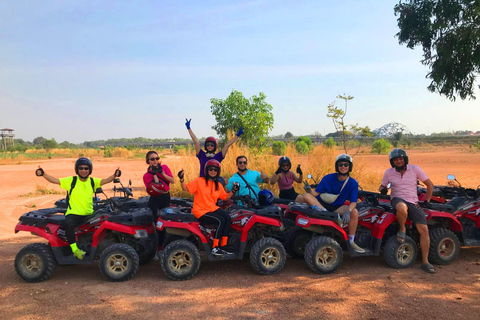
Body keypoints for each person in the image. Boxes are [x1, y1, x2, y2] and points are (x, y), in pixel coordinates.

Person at [35, 157, 120, 260]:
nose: (83, 171)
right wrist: (43, 174)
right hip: (74, 214)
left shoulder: (92, 181)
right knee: (68, 225)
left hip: (89, 213)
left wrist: (114, 175)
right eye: (81, 168)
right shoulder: (71, 181)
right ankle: (75, 250)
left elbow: (106, 180)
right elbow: (55, 180)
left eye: (86, 168)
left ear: (90, 170)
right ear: (77, 169)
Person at [379, 148, 436, 274]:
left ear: (405, 159)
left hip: (413, 202)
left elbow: (430, 184)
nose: (398, 161)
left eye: (400, 159)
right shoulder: (389, 172)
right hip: (397, 199)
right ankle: (402, 228)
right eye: (395, 159)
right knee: (402, 207)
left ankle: (425, 262)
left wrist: (427, 200)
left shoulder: (415, 169)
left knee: (424, 230)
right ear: (392, 162)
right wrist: (382, 189)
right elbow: (382, 186)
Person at [302, 154, 365, 253]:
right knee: (305, 196)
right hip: (321, 204)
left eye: (346, 164)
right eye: (340, 164)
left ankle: (351, 241)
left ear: (350, 166)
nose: (343, 167)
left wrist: (348, 211)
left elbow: (353, 202)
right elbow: (315, 194)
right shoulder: (328, 178)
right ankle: (329, 215)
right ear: (337, 166)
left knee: (354, 212)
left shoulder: (353, 183)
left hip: (336, 206)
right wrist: (309, 190)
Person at [178, 159, 239, 256]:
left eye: (215, 170)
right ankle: (215, 247)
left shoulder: (218, 185)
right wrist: (181, 179)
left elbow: (226, 197)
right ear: (206, 170)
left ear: (218, 172)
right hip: (200, 211)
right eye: (211, 169)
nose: (213, 171)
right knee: (220, 220)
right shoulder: (199, 181)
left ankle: (223, 245)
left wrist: (234, 190)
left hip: (212, 208)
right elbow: (185, 188)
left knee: (227, 218)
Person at [143, 150, 174, 222]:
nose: (155, 161)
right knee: (156, 219)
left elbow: (172, 181)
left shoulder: (164, 167)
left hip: (166, 196)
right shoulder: (146, 175)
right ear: (148, 161)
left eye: (157, 158)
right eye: (152, 159)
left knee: (166, 218)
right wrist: (154, 174)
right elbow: (157, 187)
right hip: (156, 198)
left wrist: (162, 173)